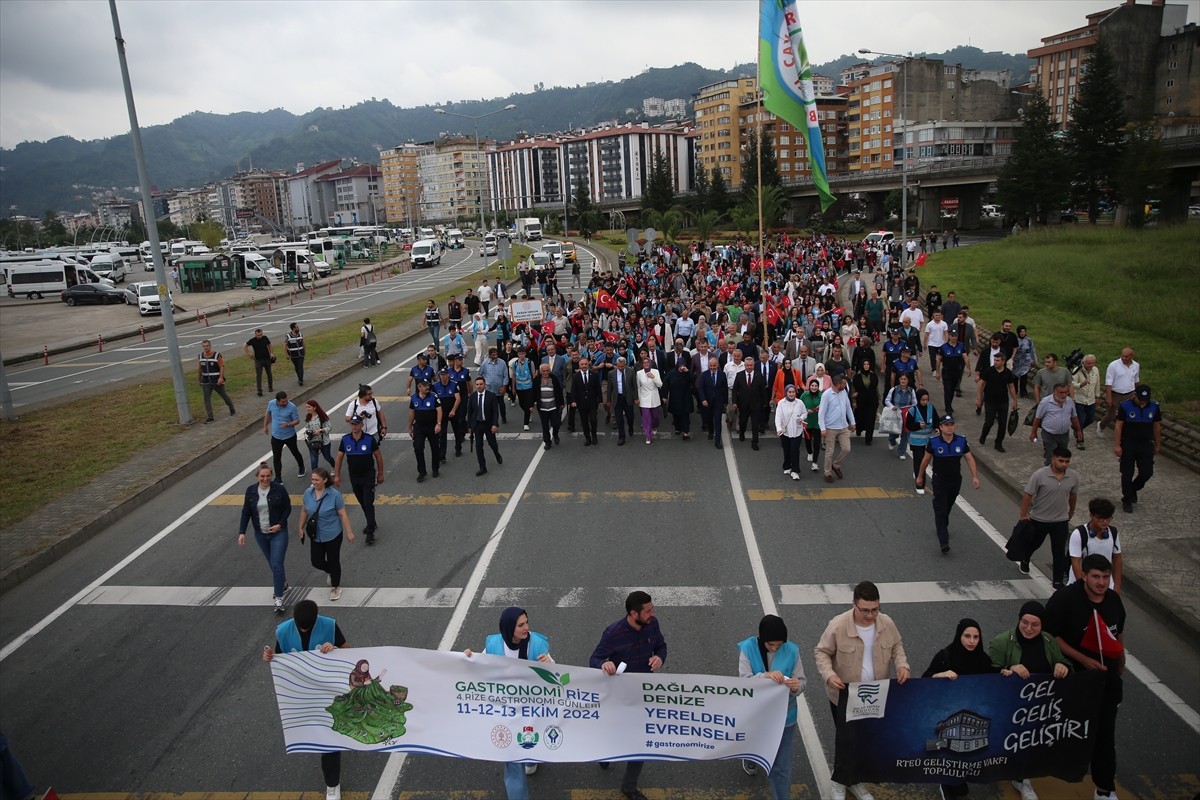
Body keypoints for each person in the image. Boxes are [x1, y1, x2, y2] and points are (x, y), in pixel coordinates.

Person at [814, 581, 909, 800]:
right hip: (845, 696)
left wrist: (902, 665)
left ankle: (854, 781)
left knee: (865, 740)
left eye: (875, 609)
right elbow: (821, 652)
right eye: (865, 610)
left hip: (875, 695)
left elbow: (897, 646)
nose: (870, 615)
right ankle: (840, 782)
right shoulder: (838, 625)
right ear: (854, 604)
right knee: (847, 740)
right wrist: (829, 675)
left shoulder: (886, 623)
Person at [1044, 555, 1126, 800]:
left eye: (1106, 577)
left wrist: (1121, 662)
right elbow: (1051, 636)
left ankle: (1104, 788)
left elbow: (1118, 632)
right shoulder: (1064, 600)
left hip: (1105, 681)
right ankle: (1023, 770)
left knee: (1104, 735)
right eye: (1096, 577)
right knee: (1053, 730)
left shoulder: (1113, 601)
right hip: (1071, 679)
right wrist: (1082, 659)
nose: (1101, 582)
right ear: (1083, 575)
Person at [262, 599, 348, 800]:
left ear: (317, 620)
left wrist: (334, 648)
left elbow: (347, 649)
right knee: (317, 733)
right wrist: (270, 656)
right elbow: (280, 658)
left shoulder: (329, 625)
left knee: (330, 738)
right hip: (304, 694)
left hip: (328, 691)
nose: (303, 629)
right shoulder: (283, 631)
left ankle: (332, 785)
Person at [465, 607, 554, 798]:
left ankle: (530, 759)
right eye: (521, 625)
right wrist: (468, 658)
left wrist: (550, 664)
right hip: (506, 709)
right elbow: (478, 666)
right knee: (513, 759)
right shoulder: (494, 645)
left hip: (532, 708)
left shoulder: (537, 644)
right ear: (508, 628)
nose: (527, 628)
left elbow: (554, 677)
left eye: (527, 623)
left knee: (530, 742)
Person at [988, 600, 1072, 800]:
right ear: (1018, 620)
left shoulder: (1049, 642)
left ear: (1042, 626)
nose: (1028, 628)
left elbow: (1064, 663)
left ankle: (1023, 772)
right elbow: (987, 674)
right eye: (1024, 622)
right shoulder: (1001, 642)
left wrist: (1062, 665)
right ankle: (1022, 779)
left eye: (1035, 625)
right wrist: (1007, 671)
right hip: (1012, 707)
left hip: (1041, 707)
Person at [589, 591, 667, 800]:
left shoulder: (653, 624)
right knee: (611, 734)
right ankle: (605, 755)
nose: (653, 613)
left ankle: (629, 787)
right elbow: (595, 659)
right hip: (617, 697)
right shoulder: (613, 633)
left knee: (638, 742)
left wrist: (659, 657)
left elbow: (661, 646)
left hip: (643, 695)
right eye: (648, 610)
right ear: (633, 613)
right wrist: (604, 664)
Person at [922, 618, 1000, 799]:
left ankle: (957, 781)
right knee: (947, 751)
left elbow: (995, 679)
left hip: (972, 716)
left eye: (976, 637)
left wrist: (1006, 672)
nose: (972, 641)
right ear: (959, 636)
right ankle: (945, 783)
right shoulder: (945, 656)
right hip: (947, 716)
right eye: (967, 636)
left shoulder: (982, 659)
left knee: (964, 750)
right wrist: (940, 675)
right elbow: (924, 682)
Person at [736, 615, 806, 798]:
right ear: (762, 639)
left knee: (781, 766)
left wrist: (796, 687)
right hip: (757, 714)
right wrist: (765, 676)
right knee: (755, 744)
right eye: (770, 645)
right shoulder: (748, 648)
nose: (775, 648)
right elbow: (744, 682)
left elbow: (802, 681)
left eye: (779, 645)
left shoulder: (792, 651)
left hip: (784, 717)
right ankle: (750, 757)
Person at [915, 415, 981, 554]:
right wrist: (920, 476)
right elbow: (925, 460)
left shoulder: (961, 441)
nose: (950, 427)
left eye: (952, 424)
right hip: (939, 481)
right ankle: (943, 542)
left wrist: (975, 476)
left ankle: (943, 523)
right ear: (940, 427)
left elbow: (969, 459)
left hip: (955, 481)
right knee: (940, 510)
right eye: (946, 424)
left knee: (948, 506)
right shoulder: (933, 442)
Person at [1018, 447, 1079, 587]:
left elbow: (1073, 495)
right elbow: (1028, 494)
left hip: (1060, 521)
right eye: (1061, 461)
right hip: (1039, 519)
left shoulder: (1073, 476)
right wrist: (1023, 515)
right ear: (1053, 459)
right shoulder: (1039, 475)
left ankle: (1057, 580)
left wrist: (1071, 511)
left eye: (1067, 461)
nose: (1064, 464)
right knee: (1035, 543)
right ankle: (1026, 558)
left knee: (1059, 551)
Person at [238, 462, 291, 613]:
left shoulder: (279, 489)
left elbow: (287, 508)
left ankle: (279, 599)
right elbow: (246, 512)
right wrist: (242, 532)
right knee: (272, 562)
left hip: (278, 533)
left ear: (271, 476)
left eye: (268, 476)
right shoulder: (251, 491)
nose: (265, 479)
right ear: (257, 476)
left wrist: (280, 525)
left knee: (276, 563)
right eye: (262, 476)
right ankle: (283, 582)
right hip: (260, 534)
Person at [298, 467, 355, 601]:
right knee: (316, 561)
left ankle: (336, 586)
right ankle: (331, 571)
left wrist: (349, 532)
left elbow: (342, 514)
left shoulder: (334, 495)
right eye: (312, 479)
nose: (314, 482)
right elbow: (304, 511)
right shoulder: (308, 493)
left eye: (317, 480)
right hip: (315, 534)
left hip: (333, 534)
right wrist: (300, 528)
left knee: (333, 560)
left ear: (324, 480)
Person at [333, 415, 383, 545]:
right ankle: (371, 521)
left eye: (356, 424)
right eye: (352, 424)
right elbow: (339, 458)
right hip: (354, 477)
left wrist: (380, 474)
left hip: (368, 476)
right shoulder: (345, 440)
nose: (354, 426)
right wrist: (337, 475)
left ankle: (370, 531)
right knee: (362, 501)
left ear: (361, 425)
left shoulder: (369, 439)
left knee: (368, 502)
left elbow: (378, 457)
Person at [1113, 384, 1161, 514]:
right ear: (1135, 395)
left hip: (1145, 444)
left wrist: (1158, 444)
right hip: (1129, 443)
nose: (1142, 402)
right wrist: (1117, 445)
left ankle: (1133, 489)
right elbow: (1118, 426)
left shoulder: (1154, 407)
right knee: (1127, 473)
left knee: (1146, 472)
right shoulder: (1125, 406)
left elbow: (1156, 427)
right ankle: (1127, 499)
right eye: (1140, 399)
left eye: (1145, 400)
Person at [1068, 498, 1123, 590]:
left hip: (1105, 585)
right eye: (1101, 518)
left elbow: (1117, 559)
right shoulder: (1079, 534)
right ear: (1091, 515)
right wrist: (1083, 587)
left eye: (1108, 518)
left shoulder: (1113, 533)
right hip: (1082, 585)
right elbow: (1076, 563)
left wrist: (1116, 586)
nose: (1105, 522)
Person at [1030, 383, 1083, 467]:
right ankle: (1048, 473)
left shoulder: (1070, 401)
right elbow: (1037, 418)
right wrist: (1033, 432)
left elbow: (1074, 416)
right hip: (1049, 434)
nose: (1064, 395)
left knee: (1062, 456)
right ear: (1054, 392)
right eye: (1061, 392)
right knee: (1051, 456)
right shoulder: (1045, 402)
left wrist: (1079, 430)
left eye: (1066, 392)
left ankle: (1060, 472)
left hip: (1064, 434)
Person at [976, 351, 1019, 452]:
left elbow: (1011, 387)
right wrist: (979, 398)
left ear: (1003, 361)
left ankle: (998, 443)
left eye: (997, 360)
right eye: (994, 360)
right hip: (990, 401)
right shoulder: (989, 371)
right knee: (989, 422)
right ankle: (983, 435)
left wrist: (1015, 400)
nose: (995, 362)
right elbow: (981, 384)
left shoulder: (1008, 373)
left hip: (1003, 401)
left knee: (1003, 424)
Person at [819, 372, 855, 483]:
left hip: (843, 426)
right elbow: (821, 413)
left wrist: (852, 422)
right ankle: (827, 473)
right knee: (830, 451)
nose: (845, 385)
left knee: (846, 449)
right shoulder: (826, 395)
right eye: (843, 383)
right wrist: (822, 428)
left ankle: (836, 465)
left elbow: (848, 408)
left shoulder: (843, 392)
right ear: (837, 384)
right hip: (830, 427)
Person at [466, 376, 503, 475]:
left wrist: (495, 424)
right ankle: (482, 467)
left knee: (492, 443)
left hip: (488, 424)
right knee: (478, 446)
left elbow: (495, 411)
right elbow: (470, 412)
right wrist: (469, 426)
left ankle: (497, 453)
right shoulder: (473, 396)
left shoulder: (491, 396)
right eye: (477, 384)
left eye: (481, 384)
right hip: (477, 425)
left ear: (485, 385)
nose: (479, 386)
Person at [264, 391, 306, 479]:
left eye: (286, 400)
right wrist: (265, 426)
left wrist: (288, 424)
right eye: (283, 402)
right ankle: (278, 477)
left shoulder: (292, 407)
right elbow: (268, 413)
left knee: (295, 452)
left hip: (289, 435)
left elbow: (297, 420)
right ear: (277, 401)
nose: (285, 403)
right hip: (276, 436)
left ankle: (301, 466)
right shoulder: (271, 403)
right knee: (276, 457)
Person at [732, 356, 769, 450]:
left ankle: (755, 442)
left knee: (755, 424)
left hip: (756, 404)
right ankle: (742, 433)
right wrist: (734, 402)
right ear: (744, 365)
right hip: (743, 404)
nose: (749, 367)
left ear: (754, 365)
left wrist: (765, 402)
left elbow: (763, 391)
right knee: (743, 421)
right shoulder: (739, 375)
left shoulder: (759, 376)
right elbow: (735, 390)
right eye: (747, 365)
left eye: (751, 365)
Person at [408, 380, 442, 482]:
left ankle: (435, 468)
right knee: (418, 448)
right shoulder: (414, 398)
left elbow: (439, 410)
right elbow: (411, 413)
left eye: (428, 385)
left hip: (432, 426)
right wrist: (410, 427)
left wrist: (438, 424)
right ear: (419, 387)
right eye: (425, 386)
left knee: (435, 448)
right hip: (419, 428)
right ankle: (422, 471)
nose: (427, 387)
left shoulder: (434, 396)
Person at [1100, 347, 1139, 431]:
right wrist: (1109, 397)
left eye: (1126, 356)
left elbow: (1136, 380)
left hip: (1129, 394)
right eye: (1123, 356)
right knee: (1111, 415)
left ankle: (1123, 433)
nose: (1124, 358)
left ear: (1132, 356)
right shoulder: (1113, 365)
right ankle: (1101, 425)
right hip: (1116, 394)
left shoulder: (1136, 366)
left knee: (1128, 414)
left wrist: (1137, 392)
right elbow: (1108, 382)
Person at [905, 389, 939, 485]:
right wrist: (918, 425)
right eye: (923, 400)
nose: (925, 402)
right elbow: (908, 425)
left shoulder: (931, 408)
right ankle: (920, 484)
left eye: (926, 399)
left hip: (928, 440)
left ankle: (918, 472)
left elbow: (936, 420)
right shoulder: (912, 410)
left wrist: (937, 428)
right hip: (916, 440)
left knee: (926, 460)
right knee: (919, 460)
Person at [198, 339, 235, 423]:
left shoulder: (216, 355)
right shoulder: (200, 356)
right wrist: (199, 379)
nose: (205, 348)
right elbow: (200, 368)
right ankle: (210, 416)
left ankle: (231, 408)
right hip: (206, 381)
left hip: (216, 381)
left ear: (210, 346)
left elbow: (222, 366)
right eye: (204, 346)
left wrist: (221, 378)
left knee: (223, 395)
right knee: (206, 399)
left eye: (207, 346)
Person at [775, 384, 807, 480]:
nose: (791, 394)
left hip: (797, 431)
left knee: (795, 450)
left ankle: (795, 470)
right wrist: (778, 428)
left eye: (793, 392)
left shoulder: (800, 403)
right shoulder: (781, 403)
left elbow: (804, 412)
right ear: (786, 392)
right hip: (785, 431)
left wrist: (801, 418)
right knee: (787, 449)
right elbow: (778, 417)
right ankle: (787, 466)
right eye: (789, 392)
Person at [698, 355, 729, 450]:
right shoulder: (705, 374)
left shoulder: (722, 374)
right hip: (707, 402)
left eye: (714, 365)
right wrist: (703, 399)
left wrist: (725, 402)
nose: (712, 367)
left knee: (718, 421)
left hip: (718, 402)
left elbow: (725, 389)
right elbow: (701, 388)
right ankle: (711, 432)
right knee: (709, 419)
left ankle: (717, 441)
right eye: (711, 365)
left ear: (717, 365)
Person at [533, 362, 565, 450]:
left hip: (554, 406)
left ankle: (555, 434)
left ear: (549, 370)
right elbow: (534, 393)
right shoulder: (536, 380)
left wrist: (561, 403)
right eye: (543, 371)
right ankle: (547, 442)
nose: (545, 373)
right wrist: (532, 404)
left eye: (547, 371)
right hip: (542, 407)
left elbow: (559, 391)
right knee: (545, 426)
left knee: (556, 423)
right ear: (540, 371)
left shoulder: (554, 378)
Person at [935, 330, 967, 415]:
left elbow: (965, 357)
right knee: (947, 390)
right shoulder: (944, 347)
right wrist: (937, 371)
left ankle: (949, 404)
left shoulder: (961, 346)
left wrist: (969, 368)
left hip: (956, 372)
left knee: (952, 390)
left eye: (955, 336)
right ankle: (948, 409)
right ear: (949, 336)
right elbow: (938, 360)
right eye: (952, 336)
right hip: (947, 371)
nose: (954, 338)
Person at [607, 356, 638, 446]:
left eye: (622, 366)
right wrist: (609, 400)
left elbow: (634, 386)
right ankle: (621, 437)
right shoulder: (611, 373)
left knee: (630, 417)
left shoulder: (631, 371)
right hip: (617, 398)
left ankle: (630, 427)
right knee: (619, 419)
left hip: (628, 397)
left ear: (625, 365)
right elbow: (609, 388)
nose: (620, 368)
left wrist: (636, 398)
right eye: (619, 366)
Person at [571, 357, 602, 445]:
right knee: (584, 421)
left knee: (593, 420)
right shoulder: (575, 376)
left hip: (592, 402)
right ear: (579, 365)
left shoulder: (594, 375)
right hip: (581, 403)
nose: (584, 366)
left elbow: (598, 388)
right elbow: (574, 389)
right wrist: (573, 400)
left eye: (585, 364)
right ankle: (587, 438)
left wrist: (600, 400)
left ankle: (594, 435)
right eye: (582, 364)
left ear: (588, 364)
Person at [883, 371, 916, 454]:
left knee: (905, 434)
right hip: (895, 414)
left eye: (905, 379)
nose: (903, 381)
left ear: (908, 380)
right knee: (894, 432)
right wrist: (892, 407)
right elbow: (887, 400)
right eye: (901, 379)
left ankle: (902, 452)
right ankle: (892, 441)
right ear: (899, 380)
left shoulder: (911, 391)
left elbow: (915, 403)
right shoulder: (893, 390)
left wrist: (910, 409)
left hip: (906, 415)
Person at [636, 356, 664, 445]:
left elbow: (660, 385)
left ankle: (655, 426)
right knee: (646, 417)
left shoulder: (655, 371)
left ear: (650, 363)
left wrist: (653, 377)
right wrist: (638, 399)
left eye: (647, 363)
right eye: (644, 363)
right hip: (644, 398)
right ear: (642, 364)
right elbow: (638, 387)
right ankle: (648, 435)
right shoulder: (639, 373)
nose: (646, 364)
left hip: (654, 397)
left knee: (655, 416)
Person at [850, 358, 879, 445]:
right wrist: (854, 401)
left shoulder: (873, 375)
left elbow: (876, 388)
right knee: (860, 417)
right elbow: (853, 389)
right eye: (864, 364)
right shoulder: (857, 377)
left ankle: (868, 438)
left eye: (868, 364)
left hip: (872, 400)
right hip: (861, 400)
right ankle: (859, 428)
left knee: (871, 419)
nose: (866, 366)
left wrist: (879, 399)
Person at [664, 357, 694, 440]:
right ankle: (678, 428)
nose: (682, 367)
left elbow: (693, 380)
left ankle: (685, 432)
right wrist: (664, 396)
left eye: (683, 365)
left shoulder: (687, 373)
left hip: (686, 397)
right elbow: (666, 384)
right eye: (680, 365)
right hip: (675, 397)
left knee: (685, 415)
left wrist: (688, 372)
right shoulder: (671, 373)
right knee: (676, 415)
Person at [302, 399, 336, 472]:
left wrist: (320, 430)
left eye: (309, 407)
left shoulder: (322, 417)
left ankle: (334, 466)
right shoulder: (308, 418)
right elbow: (307, 427)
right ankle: (315, 477)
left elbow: (329, 427)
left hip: (324, 442)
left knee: (327, 457)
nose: (307, 409)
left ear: (314, 407)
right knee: (313, 461)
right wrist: (309, 432)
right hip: (313, 441)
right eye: (306, 407)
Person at [1072, 354, 1100, 440]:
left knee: (1090, 419)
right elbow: (1072, 384)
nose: (1091, 365)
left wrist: (1097, 396)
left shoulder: (1095, 370)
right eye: (1088, 363)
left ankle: (1077, 429)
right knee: (1080, 420)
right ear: (1083, 362)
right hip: (1079, 399)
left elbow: (1097, 384)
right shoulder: (1077, 370)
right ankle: (1080, 440)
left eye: (1092, 363)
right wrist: (1081, 384)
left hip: (1091, 399)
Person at [479, 347, 510, 425]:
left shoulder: (502, 363)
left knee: (501, 405)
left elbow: (506, 375)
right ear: (489, 355)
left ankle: (504, 417)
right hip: (489, 389)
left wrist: (504, 386)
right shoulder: (485, 363)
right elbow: (480, 374)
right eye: (493, 355)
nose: (495, 356)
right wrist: (484, 384)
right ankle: (492, 421)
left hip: (499, 389)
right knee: (490, 406)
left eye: (496, 354)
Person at [510, 347, 536, 432]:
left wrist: (534, 386)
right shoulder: (515, 363)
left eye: (523, 354)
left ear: (525, 354)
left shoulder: (530, 362)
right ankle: (528, 412)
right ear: (518, 355)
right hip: (519, 386)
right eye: (520, 354)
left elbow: (533, 374)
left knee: (528, 403)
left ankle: (526, 423)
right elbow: (514, 376)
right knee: (521, 403)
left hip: (528, 386)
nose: (521, 355)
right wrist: (513, 388)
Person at [799, 376, 823, 470]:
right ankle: (809, 452)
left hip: (817, 423)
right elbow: (799, 406)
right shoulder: (804, 395)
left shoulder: (822, 396)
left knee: (817, 443)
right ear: (809, 386)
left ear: (818, 387)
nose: (814, 387)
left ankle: (815, 462)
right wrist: (805, 410)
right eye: (812, 385)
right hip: (807, 422)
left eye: (816, 386)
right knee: (808, 440)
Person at [244, 327, 275, 396]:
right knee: (258, 375)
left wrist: (271, 353)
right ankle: (259, 390)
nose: (259, 336)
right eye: (258, 335)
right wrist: (249, 353)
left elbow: (270, 345)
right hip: (258, 360)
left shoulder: (265, 338)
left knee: (269, 373)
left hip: (267, 359)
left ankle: (270, 387)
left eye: (261, 334)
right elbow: (244, 345)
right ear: (255, 335)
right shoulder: (253, 340)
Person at [1013, 326, 1037, 398]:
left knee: (1024, 376)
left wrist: (1034, 359)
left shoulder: (1029, 340)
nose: (1023, 333)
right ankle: (1015, 390)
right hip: (1017, 361)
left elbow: (1032, 350)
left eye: (1024, 331)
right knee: (1015, 376)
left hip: (1026, 361)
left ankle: (1023, 392)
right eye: (1021, 332)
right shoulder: (1015, 340)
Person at [284, 322, 306, 386]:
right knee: (296, 367)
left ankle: (300, 379)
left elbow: (303, 343)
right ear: (293, 328)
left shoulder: (300, 334)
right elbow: (284, 345)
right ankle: (299, 377)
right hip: (293, 355)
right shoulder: (288, 336)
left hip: (300, 354)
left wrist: (304, 350)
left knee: (300, 366)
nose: (298, 328)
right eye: (297, 327)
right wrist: (286, 355)